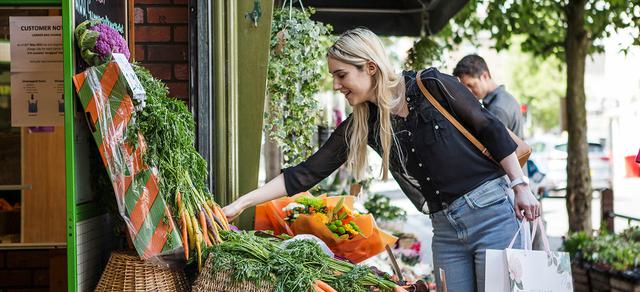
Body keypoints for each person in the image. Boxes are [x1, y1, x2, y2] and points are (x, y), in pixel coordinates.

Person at [223, 28, 540, 292]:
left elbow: (490, 127)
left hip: (491, 214)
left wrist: (519, 185)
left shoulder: (432, 85)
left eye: (341, 74)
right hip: (445, 231)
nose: (336, 84)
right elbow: (305, 174)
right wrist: (240, 204)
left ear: (370, 67)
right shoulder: (365, 123)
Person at [453, 54, 524, 139]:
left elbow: (494, 148)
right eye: (465, 87)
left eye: (471, 85)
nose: (468, 91)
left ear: (485, 76)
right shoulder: (504, 99)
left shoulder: (497, 109)